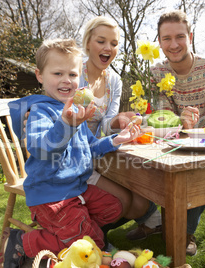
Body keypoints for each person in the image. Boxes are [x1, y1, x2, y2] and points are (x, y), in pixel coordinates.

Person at [0, 38, 140, 268]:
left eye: (73, 75)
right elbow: (40, 148)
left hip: (76, 189)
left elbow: (91, 147)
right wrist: (66, 123)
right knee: (92, 245)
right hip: (52, 196)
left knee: (113, 205)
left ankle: (78, 233)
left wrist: (115, 139)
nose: (66, 80)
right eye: (57, 74)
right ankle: (24, 242)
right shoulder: (40, 113)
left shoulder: (75, 110)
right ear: (40, 76)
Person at [129, 10, 205, 255]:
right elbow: (161, 116)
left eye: (180, 36)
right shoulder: (156, 73)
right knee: (135, 165)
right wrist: (179, 122)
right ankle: (154, 221)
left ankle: (183, 233)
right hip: (173, 142)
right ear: (159, 42)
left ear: (190, 36)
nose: (174, 44)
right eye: (166, 38)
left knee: (193, 171)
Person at [79, 16, 163, 240]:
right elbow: (72, 122)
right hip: (76, 153)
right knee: (124, 200)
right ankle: (83, 234)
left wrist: (118, 121)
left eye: (114, 44)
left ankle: (91, 229)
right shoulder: (74, 74)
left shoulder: (114, 80)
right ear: (88, 43)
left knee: (141, 201)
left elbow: (106, 124)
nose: (108, 48)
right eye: (101, 41)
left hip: (99, 150)